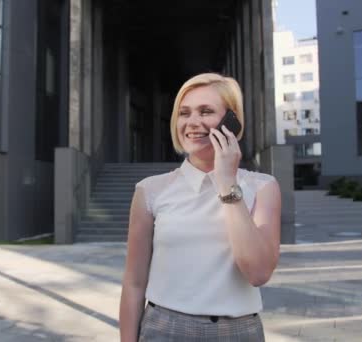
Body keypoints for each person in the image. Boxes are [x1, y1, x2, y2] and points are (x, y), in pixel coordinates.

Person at [119, 73, 282, 341]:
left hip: (239, 331)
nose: (193, 122)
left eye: (206, 111)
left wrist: (227, 182)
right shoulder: (150, 190)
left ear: (232, 121)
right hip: (164, 328)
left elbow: (259, 272)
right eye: (184, 113)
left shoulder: (263, 187)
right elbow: (134, 282)